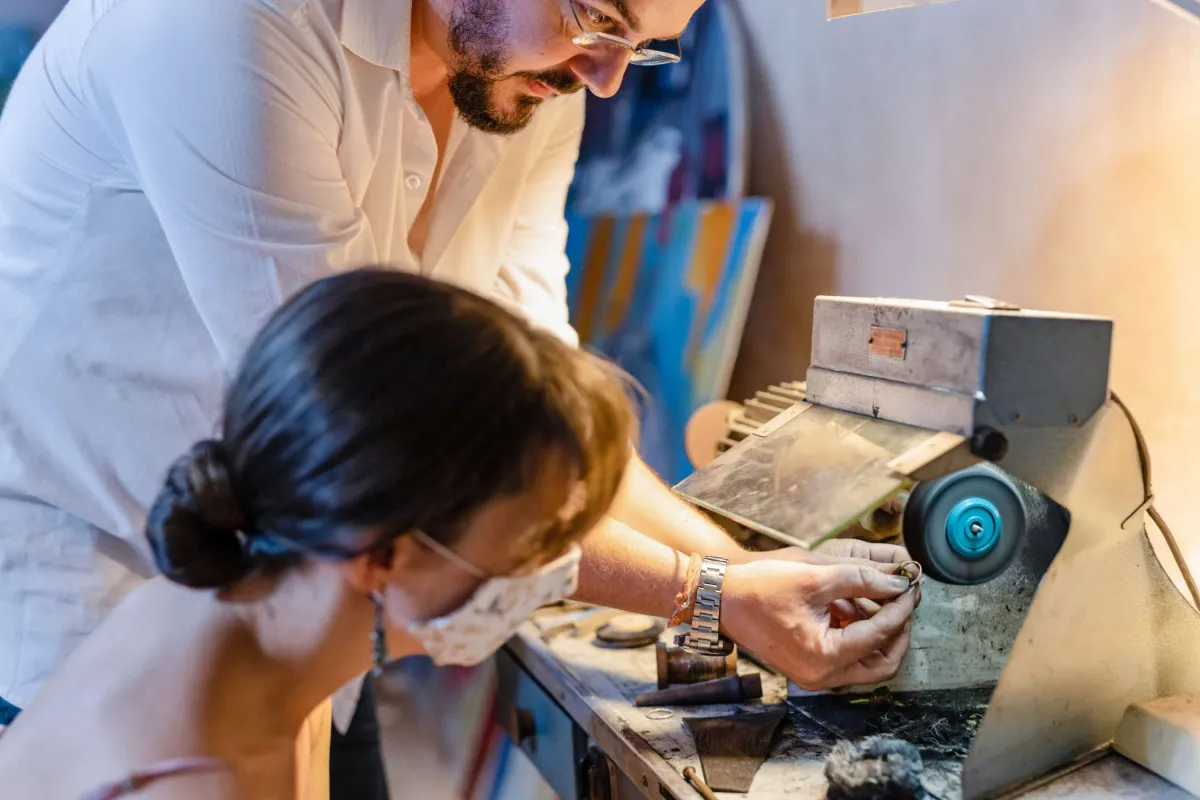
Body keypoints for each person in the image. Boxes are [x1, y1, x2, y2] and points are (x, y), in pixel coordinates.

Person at [0, 0, 918, 793]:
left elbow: (536, 410)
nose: (604, 79)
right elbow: (384, 434)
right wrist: (709, 592)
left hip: (313, 616)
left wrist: (744, 576)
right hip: (98, 594)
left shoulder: (530, 69)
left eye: (640, 47)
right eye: (598, 17)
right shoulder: (226, 25)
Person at [0, 268, 640, 799]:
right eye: (531, 544)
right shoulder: (197, 778)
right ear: (383, 555)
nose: (550, 571)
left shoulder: (268, 637)